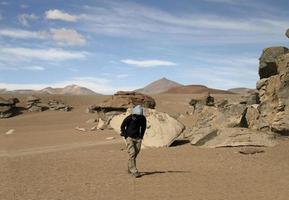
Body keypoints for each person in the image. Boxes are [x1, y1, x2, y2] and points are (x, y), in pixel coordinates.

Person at [120, 105, 147, 178]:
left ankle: (130, 167)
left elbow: (143, 127)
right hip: (129, 138)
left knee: (136, 153)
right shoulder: (130, 117)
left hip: (138, 138)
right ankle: (134, 171)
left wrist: (141, 136)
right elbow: (122, 125)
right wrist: (125, 135)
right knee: (132, 153)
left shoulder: (142, 118)